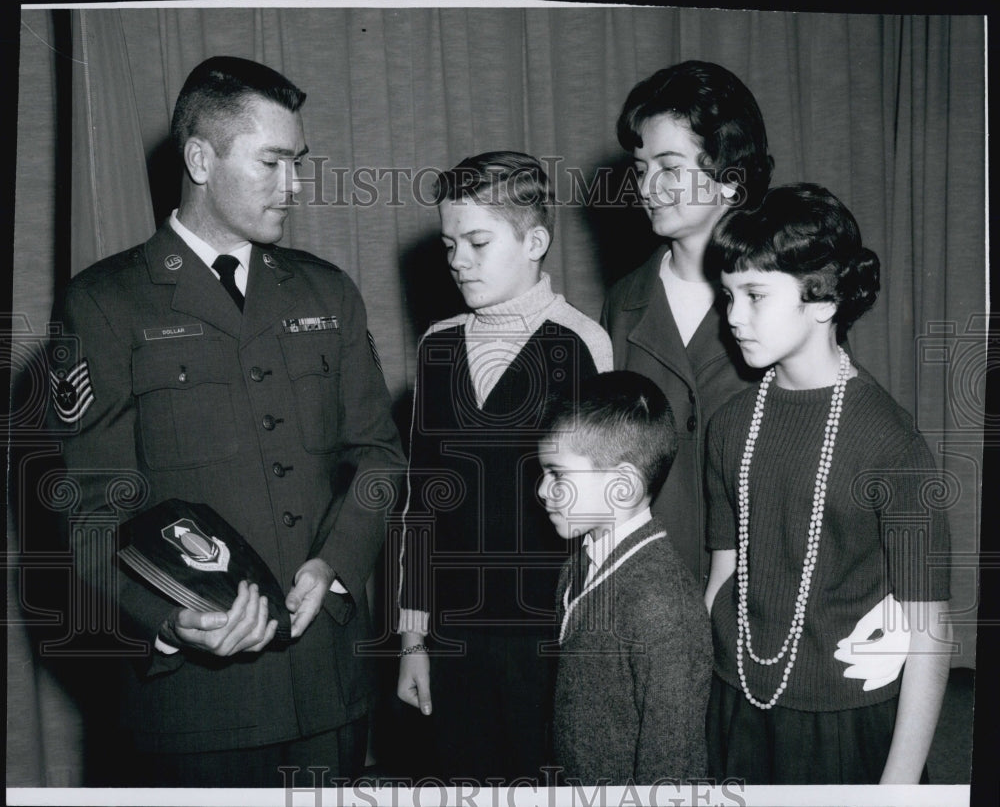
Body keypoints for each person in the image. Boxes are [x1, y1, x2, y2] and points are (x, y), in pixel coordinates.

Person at [45, 56, 406, 787]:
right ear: (200, 158)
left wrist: (336, 563)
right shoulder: (105, 305)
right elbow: (88, 511)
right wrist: (171, 618)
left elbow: (380, 459)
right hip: (193, 708)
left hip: (328, 688)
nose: (293, 185)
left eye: (296, 162)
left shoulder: (327, 292)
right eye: (271, 161)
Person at [702, 183, 953, 784]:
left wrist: (897, 788)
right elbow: (720, 578)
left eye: (755, 295)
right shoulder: (730, 424)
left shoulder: (890, 442)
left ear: (822, 300)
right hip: (736, 702)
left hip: (844, 722)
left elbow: (930, 630)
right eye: (727, 295)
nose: (733, 317)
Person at [395, 151, 613, 783]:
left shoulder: (582, 343)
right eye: (448, 244)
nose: (457, 259)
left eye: (477, 242)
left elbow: (604, 520)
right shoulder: (436, 347)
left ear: (534, 241)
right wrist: (413, 641)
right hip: (455, 638)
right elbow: (419, 506)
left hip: (550, 639)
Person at [602, 61, 773, 587]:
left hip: (767, 591)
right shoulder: (623, 302)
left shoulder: (787, 291)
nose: (647, 187)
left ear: (729, 178)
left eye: (669, 167)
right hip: (653, 592)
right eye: (640, 167)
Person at [538, 370, 712, 785]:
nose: (543, 490)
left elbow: (673, 769)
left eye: (558, 474)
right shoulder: (576, 568)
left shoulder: (662, 607)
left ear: (623, 486)